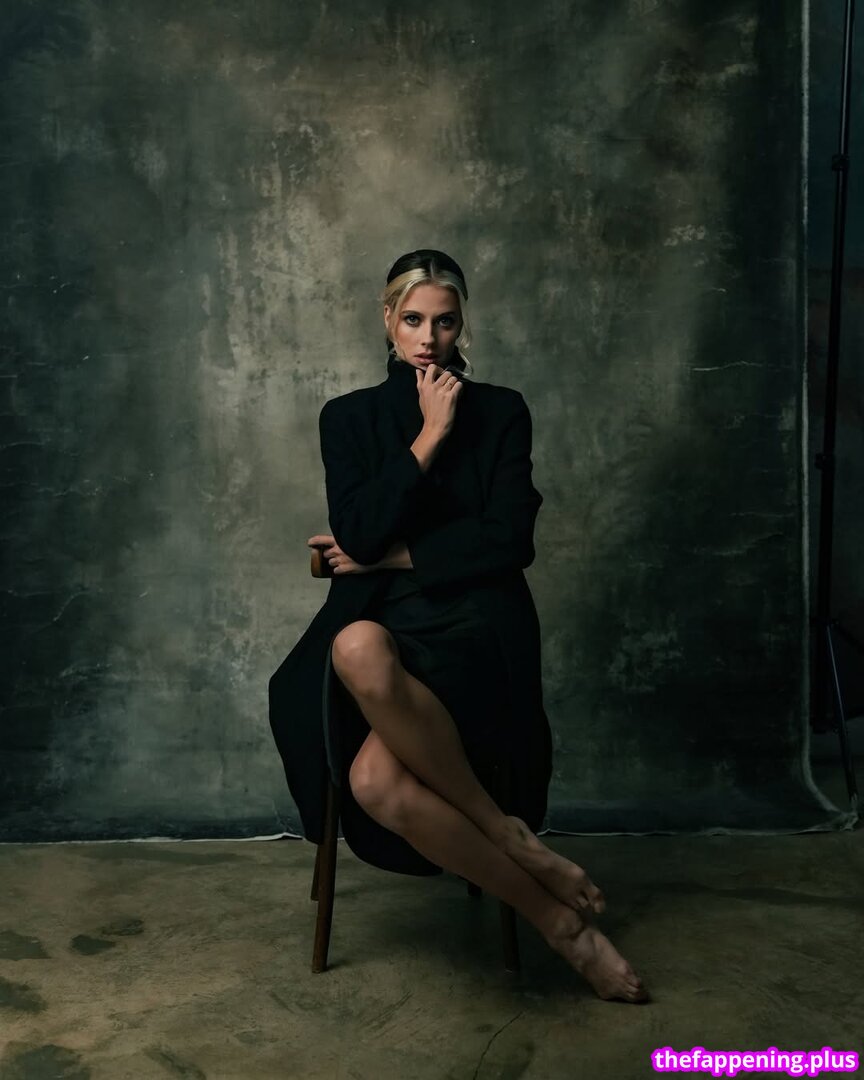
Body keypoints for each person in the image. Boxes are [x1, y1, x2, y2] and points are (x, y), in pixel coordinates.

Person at [269, 249, 647, 1003]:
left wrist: (391, 556)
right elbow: (358, 529)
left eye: (444, 322)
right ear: (388, 320)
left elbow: (510, 542)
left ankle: (554, 915)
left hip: (476, 628)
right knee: (353, 647)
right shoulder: (348, 417)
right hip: (381, 623)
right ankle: (521, 857)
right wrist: (428, 438)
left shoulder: (501, 410)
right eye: (413, 320)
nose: (429, 338)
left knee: (374, 779)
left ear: (461, 324)